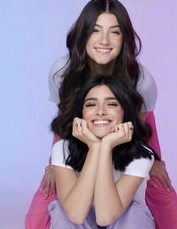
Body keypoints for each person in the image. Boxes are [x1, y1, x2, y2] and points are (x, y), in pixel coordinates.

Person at [25, 0, 177, 229]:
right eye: (95, 30)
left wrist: (152, 159)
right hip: (75, 134)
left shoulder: (142, 80)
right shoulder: (61, 72)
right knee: (45, 207)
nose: (104, 40)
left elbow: (141, 127)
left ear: (124, 39)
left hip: (131, 134)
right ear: (83, 34)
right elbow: (64, 118)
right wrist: (55, 163)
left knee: (156, 184)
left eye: (114, 32)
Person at [48, 75, 158, 228]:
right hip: (80, 220)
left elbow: (105, 217)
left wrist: (106, 146)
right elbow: (75, 214)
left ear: (124, 112)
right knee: (62, 213)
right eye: (91, 105)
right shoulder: (62, 148)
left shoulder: (141, 154)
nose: (100, 112)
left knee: (133, 213)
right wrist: (95, 147)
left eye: (111, 104)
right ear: (81, 114)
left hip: (120, 220)